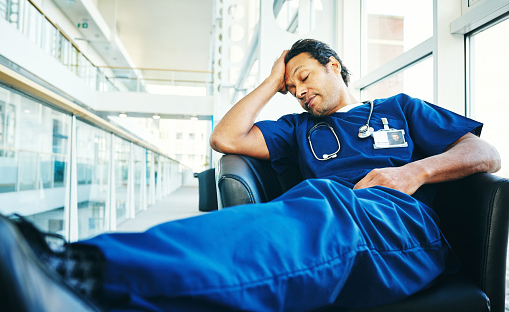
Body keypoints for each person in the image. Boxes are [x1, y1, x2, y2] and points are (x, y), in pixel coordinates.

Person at [0, 39, 501, 312]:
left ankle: (88, 274)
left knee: (309, 223)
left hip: (400, 224)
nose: (299, 91)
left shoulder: (400, 107)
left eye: (304, 77)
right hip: (325, 207)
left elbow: (484, 151)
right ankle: (82, 269)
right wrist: (271, 79)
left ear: (335, 66)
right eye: (292, 86)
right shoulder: (296, 129)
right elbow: (226, 138)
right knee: (267, 229)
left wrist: (412, 174)